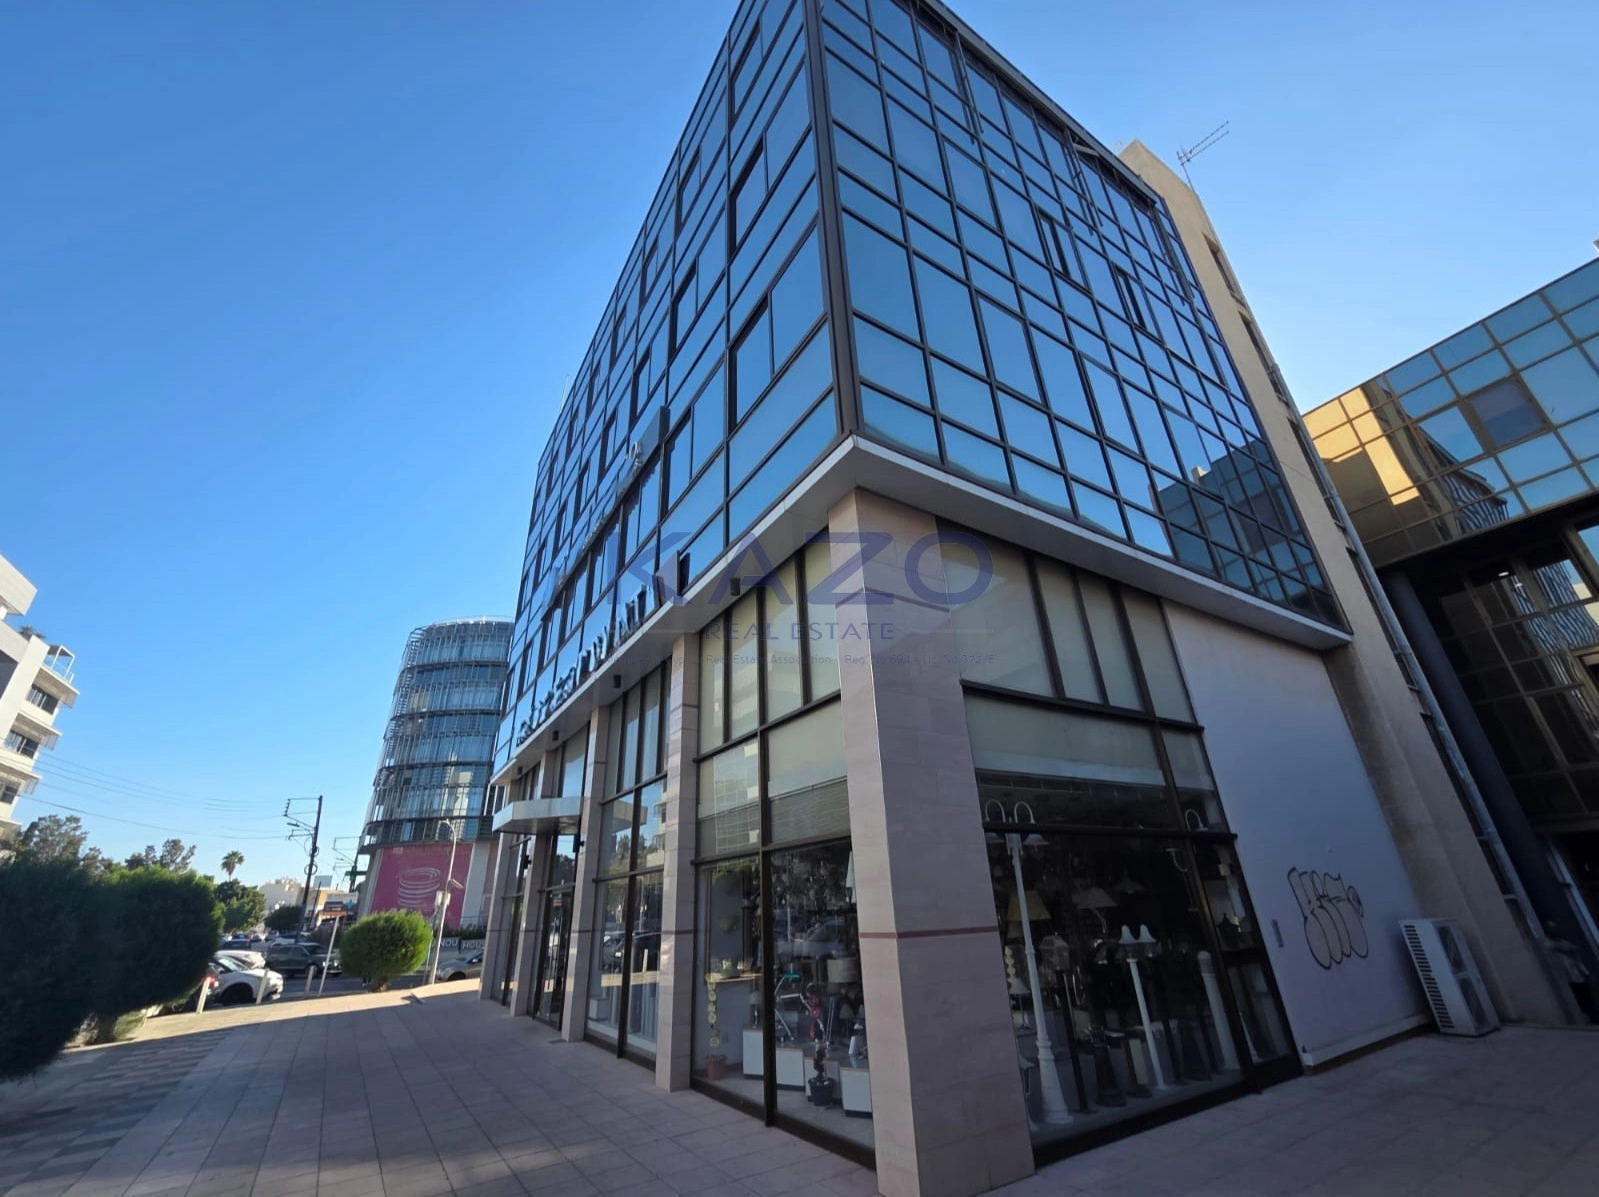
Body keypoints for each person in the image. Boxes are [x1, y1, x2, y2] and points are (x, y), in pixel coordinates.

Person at [1544, 922, 1596, 1023]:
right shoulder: (1550, 943)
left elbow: (1577, 960)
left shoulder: (1564, 942)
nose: (1555, 930)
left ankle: (1593, 1017)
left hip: (1576, 975)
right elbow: (1552, 947)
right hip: (1566, 977)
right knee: (1578, 999)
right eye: (1552, 929)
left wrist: (1586, 973)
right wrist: (1569, 947)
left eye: (1555, 928)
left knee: (1587, 998)